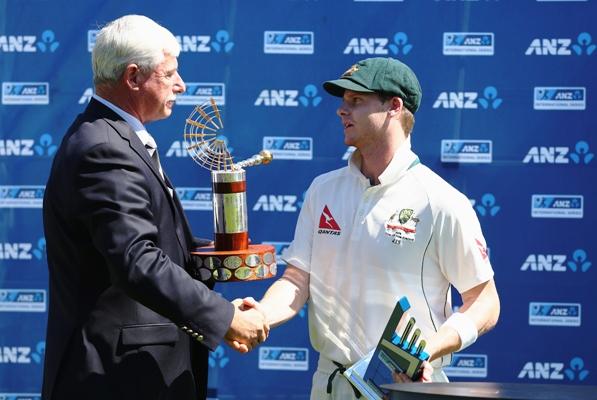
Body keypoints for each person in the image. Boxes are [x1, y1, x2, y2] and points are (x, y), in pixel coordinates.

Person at [243, 57, 500, 399]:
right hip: (328, 384)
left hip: (407, 387)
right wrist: (261, 314)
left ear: (394, 107)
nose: (341, 111)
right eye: (343, 101)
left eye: (356, 101)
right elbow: (297, 280)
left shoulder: (440, 200)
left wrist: (427, 351)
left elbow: (485, 302)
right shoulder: (323, 189)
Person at [42, 15, 268, 400]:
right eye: (170, 74)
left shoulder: (111, 137)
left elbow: (157, 248)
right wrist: (224, 317)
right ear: (133, 77)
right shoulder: (105, 147)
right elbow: (137, 261)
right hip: (116, 380)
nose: (181, 85)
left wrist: (226, 259)